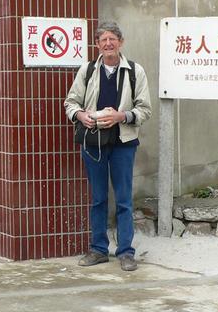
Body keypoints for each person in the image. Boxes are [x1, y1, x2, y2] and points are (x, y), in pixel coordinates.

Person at [64, 21, 152, 271]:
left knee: (124, 199)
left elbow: (145, 110)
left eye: (113, 39)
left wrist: (120, 116)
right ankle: (98, 249)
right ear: (97, 45)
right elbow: (70, 102)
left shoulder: (135, 71)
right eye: (103, 40)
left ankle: (126, 252)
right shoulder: (88, 70)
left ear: (121, 42)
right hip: (93, 143)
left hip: (123, 142)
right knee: (98, 198)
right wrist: (81, 115)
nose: (108, 43)